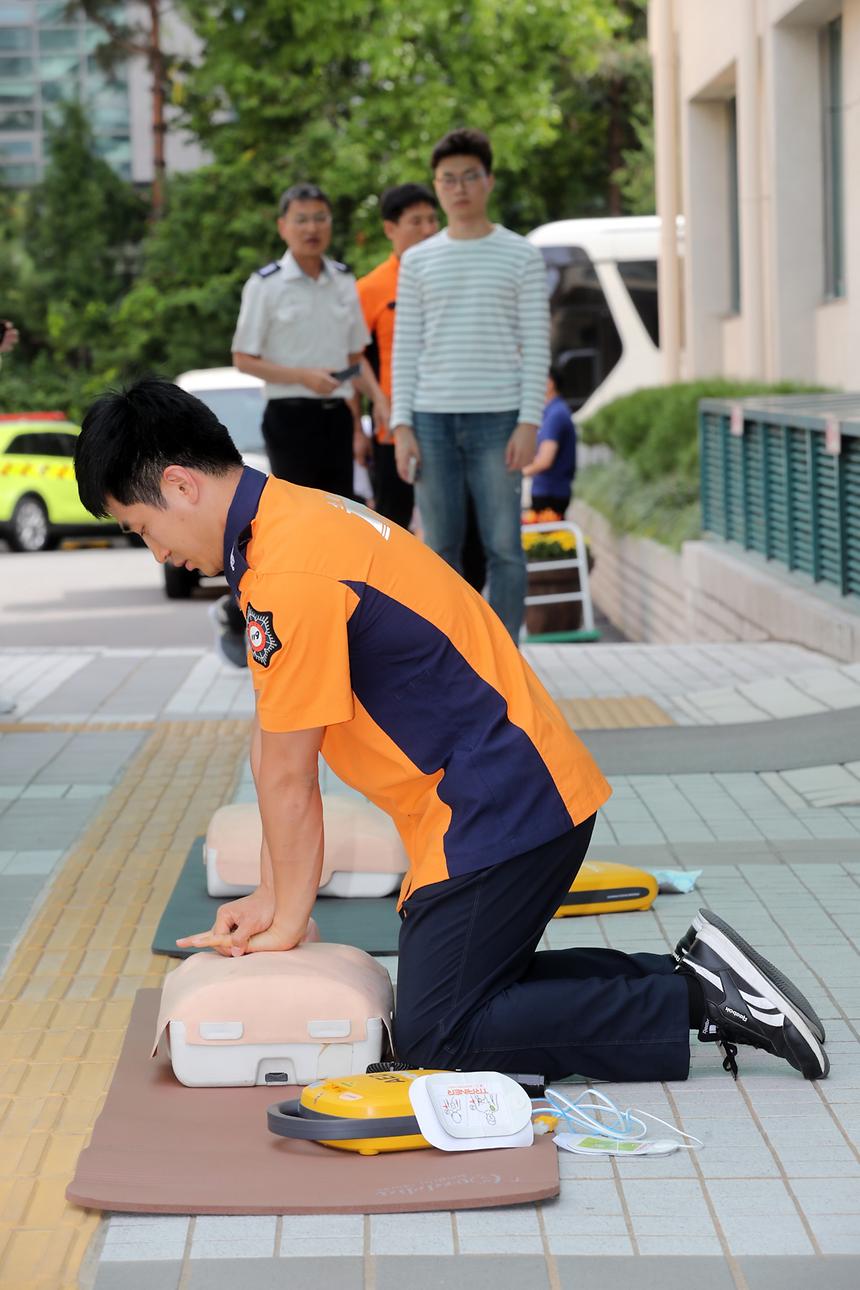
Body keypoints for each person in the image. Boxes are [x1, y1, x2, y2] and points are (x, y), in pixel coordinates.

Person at [73, 377, 830, 1087]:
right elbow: (273, 742)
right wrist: (272, 895)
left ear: (179, 484)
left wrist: (290, 918)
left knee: (440, 1034)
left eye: (143, 528)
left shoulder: (287, 568)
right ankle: (696, 979)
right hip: (492, 798)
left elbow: (288, 774)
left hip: (499, 809)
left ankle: (702, 1005)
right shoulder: (288, 522)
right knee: (459, 995)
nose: (159, 552)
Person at [390, 127, 550, 642]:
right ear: (437, 186)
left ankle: (504, 660)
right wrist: (402, 425)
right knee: (439, 548)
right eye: (448, 179)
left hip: (500, 420)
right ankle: (455, 655)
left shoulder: (521, 254)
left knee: (505, 546)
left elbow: (536, 344)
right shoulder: (417, 260)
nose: (458, 188)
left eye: (469, 177)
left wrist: (530, 422)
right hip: (431, 422)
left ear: (489, 181)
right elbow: (406, 348)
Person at [231, 181, 389, 498]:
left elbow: (354, 358)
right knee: (301, 512)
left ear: (330, 224)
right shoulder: (265, 285)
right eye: (301, 220)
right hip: (290, 417)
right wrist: (303, 377)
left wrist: (380, 399)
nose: (312, 228)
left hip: (339, 417)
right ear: (283, 227)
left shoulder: (343, 280)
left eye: (320, 218)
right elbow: (243, 360)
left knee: (338, 511)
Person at [523, 366, 576, 518]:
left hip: (550, 493)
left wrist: (517, 475)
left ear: (550, 383)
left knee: (546, 539)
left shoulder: (556, 415)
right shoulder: (551, 412)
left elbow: (545, 460)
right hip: (548, 491)